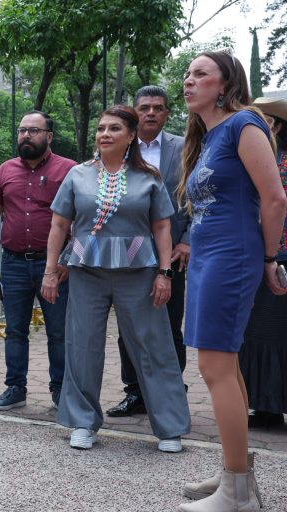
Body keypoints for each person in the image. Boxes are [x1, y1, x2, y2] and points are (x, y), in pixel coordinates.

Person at [41, 105, 191, 453]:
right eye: (101, 128)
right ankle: (82, 422)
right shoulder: (78, 174)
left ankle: (169, 427)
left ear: (131, 136)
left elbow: (162, 227)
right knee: (82, 346)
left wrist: (165, 273)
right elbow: (59, 226)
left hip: (139, 274)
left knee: (153, 346)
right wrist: (51, 271)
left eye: (114, 129)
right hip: (86, 274)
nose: (105, 134)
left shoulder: (149, 176)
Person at [176, 51, 287, 512]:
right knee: (225, 367)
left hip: (233, 256)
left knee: (215, 368)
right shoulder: (210, 136)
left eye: (200, 74)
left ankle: (237, 491)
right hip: (209, 256)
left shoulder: (245, 124)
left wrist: (267, 257)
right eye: (186, 73)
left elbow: (275, 198)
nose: (188, 81)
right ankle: (235, 473)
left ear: (225, 84)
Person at [0, 110, 75, 410]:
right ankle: (15, 388)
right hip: (14, 263)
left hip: (55, 266)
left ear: (49, 136)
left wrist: (69, 261)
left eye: (33, 131)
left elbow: (82, 218)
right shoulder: (6, 170)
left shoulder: (69, 169)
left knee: (58, 331)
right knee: (15, 329)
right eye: (22, 130)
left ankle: (61, 390)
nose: (25, 136)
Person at [107, 86, 191, 418]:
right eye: (144, 108)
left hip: (172, 253)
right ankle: (135, 391)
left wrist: (187, 241)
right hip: (127, 251)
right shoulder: (119, 147)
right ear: (135, 112)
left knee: (169, 325)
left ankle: (172, 389)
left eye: (158, 107)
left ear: (167, 113)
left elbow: (196, 199)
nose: (151, 113)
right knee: (128, 325)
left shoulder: (185, 148)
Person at [238, 96, 287, 429]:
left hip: (276, 256)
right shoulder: (262, 158)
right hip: (262, 256)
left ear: (276, 125)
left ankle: (270, 405)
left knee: (272, 332)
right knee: (262, 332)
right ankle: (266, 405)